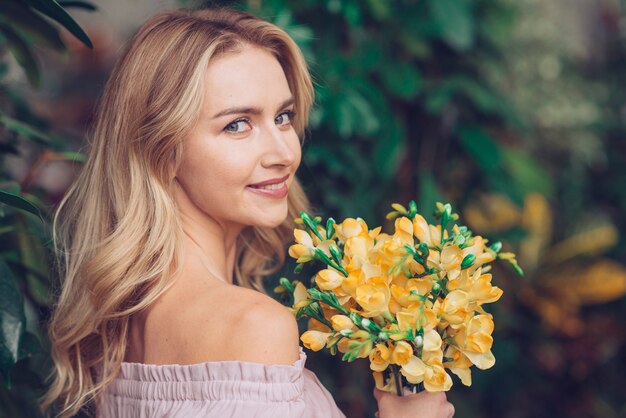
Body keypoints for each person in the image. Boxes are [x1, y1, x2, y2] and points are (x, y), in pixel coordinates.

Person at [41, 7, 455, 418]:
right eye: (237, 124)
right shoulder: (252, 327)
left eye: (283, 117)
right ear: (162, 150)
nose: (283, 153)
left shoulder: (121, 325)